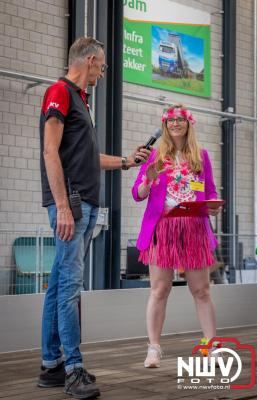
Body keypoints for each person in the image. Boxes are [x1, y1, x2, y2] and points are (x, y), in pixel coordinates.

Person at [38, 37, 150, 399]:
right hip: (71, 205)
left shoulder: (80, 102)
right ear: (89, 60)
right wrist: (64, 207)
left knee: (58, 286)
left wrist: (126, 161)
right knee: (70, 289)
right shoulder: (60, 91)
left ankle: (51, 365)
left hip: (80, 204)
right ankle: (73, 370)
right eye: (101, 66)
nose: (102, 73)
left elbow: (88, 158)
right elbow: (49, 151)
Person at [132, 104, 222, 368]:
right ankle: (154, 349)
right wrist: (147, 181)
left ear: (188, 123)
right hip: (163, 229)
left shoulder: (201, 156)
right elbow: (137, 194)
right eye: (170, 120)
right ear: (164, 125)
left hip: (194, 228)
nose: (175, 124)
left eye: (180, 119)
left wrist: (213, 206)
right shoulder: (155, 156)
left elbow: (211, 193)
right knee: (160, 289)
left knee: (202, 290)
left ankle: (211, 345)